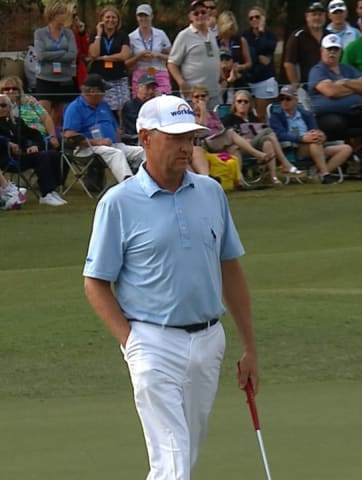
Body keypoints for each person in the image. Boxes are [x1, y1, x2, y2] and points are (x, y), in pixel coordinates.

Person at [83, 93, 260, 480]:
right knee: (173, 458)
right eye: (175, 138)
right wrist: (131, 344)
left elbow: (230, 269)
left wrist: (248, 347)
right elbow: (95, 282)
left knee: (184, 453)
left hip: (209, 340)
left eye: (191, 138)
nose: (186, 147)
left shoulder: (211, 192)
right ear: (145, 138)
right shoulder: (119, 202)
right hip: (151, 342)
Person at [0, 94, 65, 206]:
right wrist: (7, 143)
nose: (0, 108)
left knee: (52, 154)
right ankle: (46, 194)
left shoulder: (17, 121)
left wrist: (35, 146)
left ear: (9, 107)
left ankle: (50, 191)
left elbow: (35, 134)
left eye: (3, 105)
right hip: (3, 158)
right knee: (43, 157)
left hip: (22, 155)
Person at [63, 74, 145, 183]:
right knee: (116, 153)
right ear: (92, 91)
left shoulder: (103, 105)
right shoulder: (75, 107)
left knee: (143, 151)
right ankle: (129, 185)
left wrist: (119, 142)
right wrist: (98, 142)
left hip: (111, 145)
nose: (105, 94)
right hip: (86, 148)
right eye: (103, 91)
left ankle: (145, 181)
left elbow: (115, 129)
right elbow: (70, 136)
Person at [268, 85, 353, 183]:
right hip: (295, 147)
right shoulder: (276, 116)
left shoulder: (306, 114)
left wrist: (321, 136)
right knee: (313, 143)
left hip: (314, 145)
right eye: (281, 99)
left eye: (288, 99)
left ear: (295, 100)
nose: (284, 102)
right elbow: (279, 134)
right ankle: (325, 175)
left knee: (346, 149)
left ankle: (319, 174)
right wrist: (301, 138)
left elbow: (314, 130)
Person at [308, 34, 362, 143]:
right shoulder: (317, 70)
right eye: (329, 49)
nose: (332, 52)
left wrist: (344, 82)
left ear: (340, 51)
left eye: (335, 49)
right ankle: (345, 152)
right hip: (325, 115)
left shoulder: (347, 69)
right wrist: (355, 88)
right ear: (322, 51)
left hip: (352, 111)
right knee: (337, 123)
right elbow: (331, 92)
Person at [33, 0, 78, 130]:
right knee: (43, 114)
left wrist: (51, 55)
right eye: (62, 13)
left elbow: (72, 54)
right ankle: (43, 140)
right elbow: (40, 55)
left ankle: (55, 141)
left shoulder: (68, 33)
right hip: (45, 78)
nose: (65, 16)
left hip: (64, 78)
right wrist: (62, 52)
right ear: (53, 15)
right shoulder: (40, 33)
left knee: (58, 115)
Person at [168, 0, 221, 108]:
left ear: (207, 13)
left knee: (214, 124)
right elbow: (172, 63)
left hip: (213, 92)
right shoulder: (184, 35)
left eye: (203, 12)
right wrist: (181, 82)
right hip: (194, 95)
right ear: (190, 16)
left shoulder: (212, 34)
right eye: (196, 13)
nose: (200, 15)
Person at [88, 6, 132, 119]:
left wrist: (103, 58)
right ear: (102, 19)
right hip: (100, 77)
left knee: (123, 108)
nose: (110, 20)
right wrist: (99, 33)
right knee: (102, 108)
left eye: (114, 17)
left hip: (118, 77)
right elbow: (93, 54)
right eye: (107, 17)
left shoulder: (122, 35)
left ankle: (122, 132)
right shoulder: (95, 35)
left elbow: (124, 55)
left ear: (118, 20)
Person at [282, 2, 327, 109]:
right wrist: (296, 84)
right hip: (305, 87)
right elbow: (289, 63)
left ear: (325, 16)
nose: (317, 17)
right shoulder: (297, 36)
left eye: (320, 15)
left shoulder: (330, 35)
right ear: (307, 17)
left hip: (327, 86)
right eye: (313, 15)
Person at [0, 76, 58, 149]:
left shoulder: (29, 100)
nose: (11, 91)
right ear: (1, 91)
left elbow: (46, 118)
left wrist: (52, 136)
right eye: (7, 89)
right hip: (22, 140)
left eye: (14, 88)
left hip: (42, 137)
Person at [242, 6, 279, 121]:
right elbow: (252, 55)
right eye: (251, 18)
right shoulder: (245, 36)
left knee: (262, 115)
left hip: (265, 79)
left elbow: (265, 47)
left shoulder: (270, 36)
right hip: (249, 79)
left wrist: (261, 31)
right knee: (248, 114)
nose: (254, 20)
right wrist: (258, 57)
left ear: (263, 18)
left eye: (257, 17)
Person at [126, 4, 172, 95]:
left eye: (146, 15)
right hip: (140, 72)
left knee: (163, 99)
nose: (143, 19)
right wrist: (139, 56)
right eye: (140, 16)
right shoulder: (131, 37)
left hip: (159, 71)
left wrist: (158, 55)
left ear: (151, 16)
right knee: (141, 101)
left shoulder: (161, 34)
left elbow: (173, 56)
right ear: (136, 17)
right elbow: (127, 62)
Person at [120, 73, 158, 143]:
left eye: (153, 88)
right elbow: (134, 128)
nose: (151, 91)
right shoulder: (130, 105)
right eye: (148, 88)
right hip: (137, 140)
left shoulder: (156, 104)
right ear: (138, 88)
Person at [68, 2, 89, 88]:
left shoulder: (78, 32)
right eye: (73, 15)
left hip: (78, 69)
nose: (76, 18)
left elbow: (85, 51)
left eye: (76, 15)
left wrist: (82, 33)